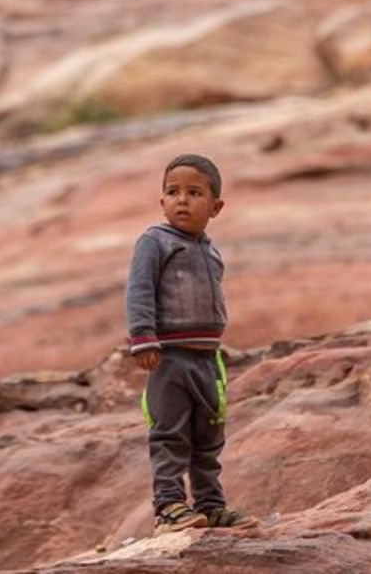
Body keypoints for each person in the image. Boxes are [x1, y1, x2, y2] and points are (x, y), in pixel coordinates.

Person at [125, 154, 260, 534]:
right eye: (172, 192)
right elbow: (139, 290)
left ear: (216, 207)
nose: (181, 200)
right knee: (170, 432)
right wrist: (143, 337)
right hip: (168, 359)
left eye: (194, 192)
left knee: (208, 436)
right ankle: (168, 506)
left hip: (206, 359)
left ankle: (211, 505)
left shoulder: (210, 251)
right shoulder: (155, 242)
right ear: (161, 202)